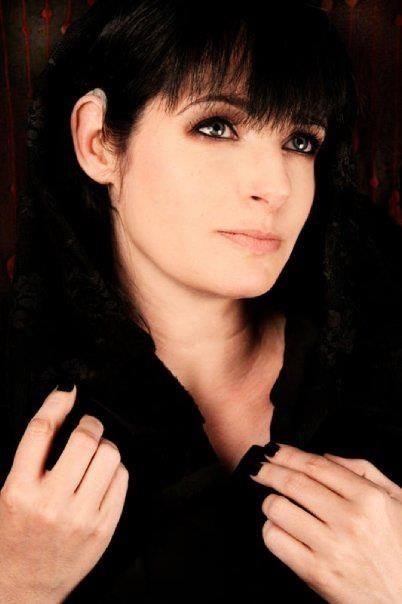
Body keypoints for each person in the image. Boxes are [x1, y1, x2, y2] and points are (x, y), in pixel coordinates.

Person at [0, 0, 401, 601]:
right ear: (99, 141)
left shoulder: (383, 369)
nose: (275, 186)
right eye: (217, 127)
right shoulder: (18, 403)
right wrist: (18, 583)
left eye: (300, 141)